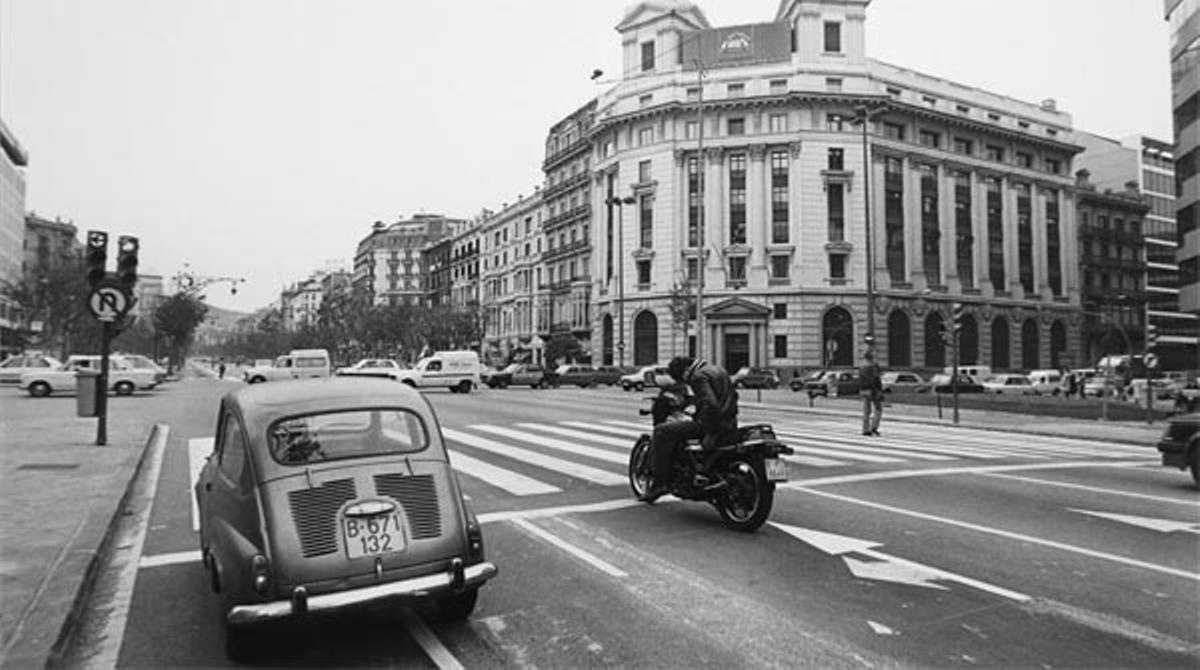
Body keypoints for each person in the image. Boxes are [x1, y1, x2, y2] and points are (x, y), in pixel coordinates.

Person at [641, 356, 739, 503]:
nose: (686, 382)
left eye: (682, 378)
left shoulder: (697, 377)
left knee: (661, 431)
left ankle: (660, 483)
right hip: (729, 423)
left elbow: (710, 403)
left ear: (686, 371)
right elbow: (730, 397)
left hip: (710, 425)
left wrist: (707, 427)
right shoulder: (718, 370)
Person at [858, 351, 883, 436]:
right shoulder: (873, 366)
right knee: (878, 409)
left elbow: (861, 380)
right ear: (872, 357)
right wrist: (879, 390)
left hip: (864, 390)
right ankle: (874, 427)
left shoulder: (861, 367)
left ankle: (865, 429)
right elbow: (876, 379)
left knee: (866, 411)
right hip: (873, 390)